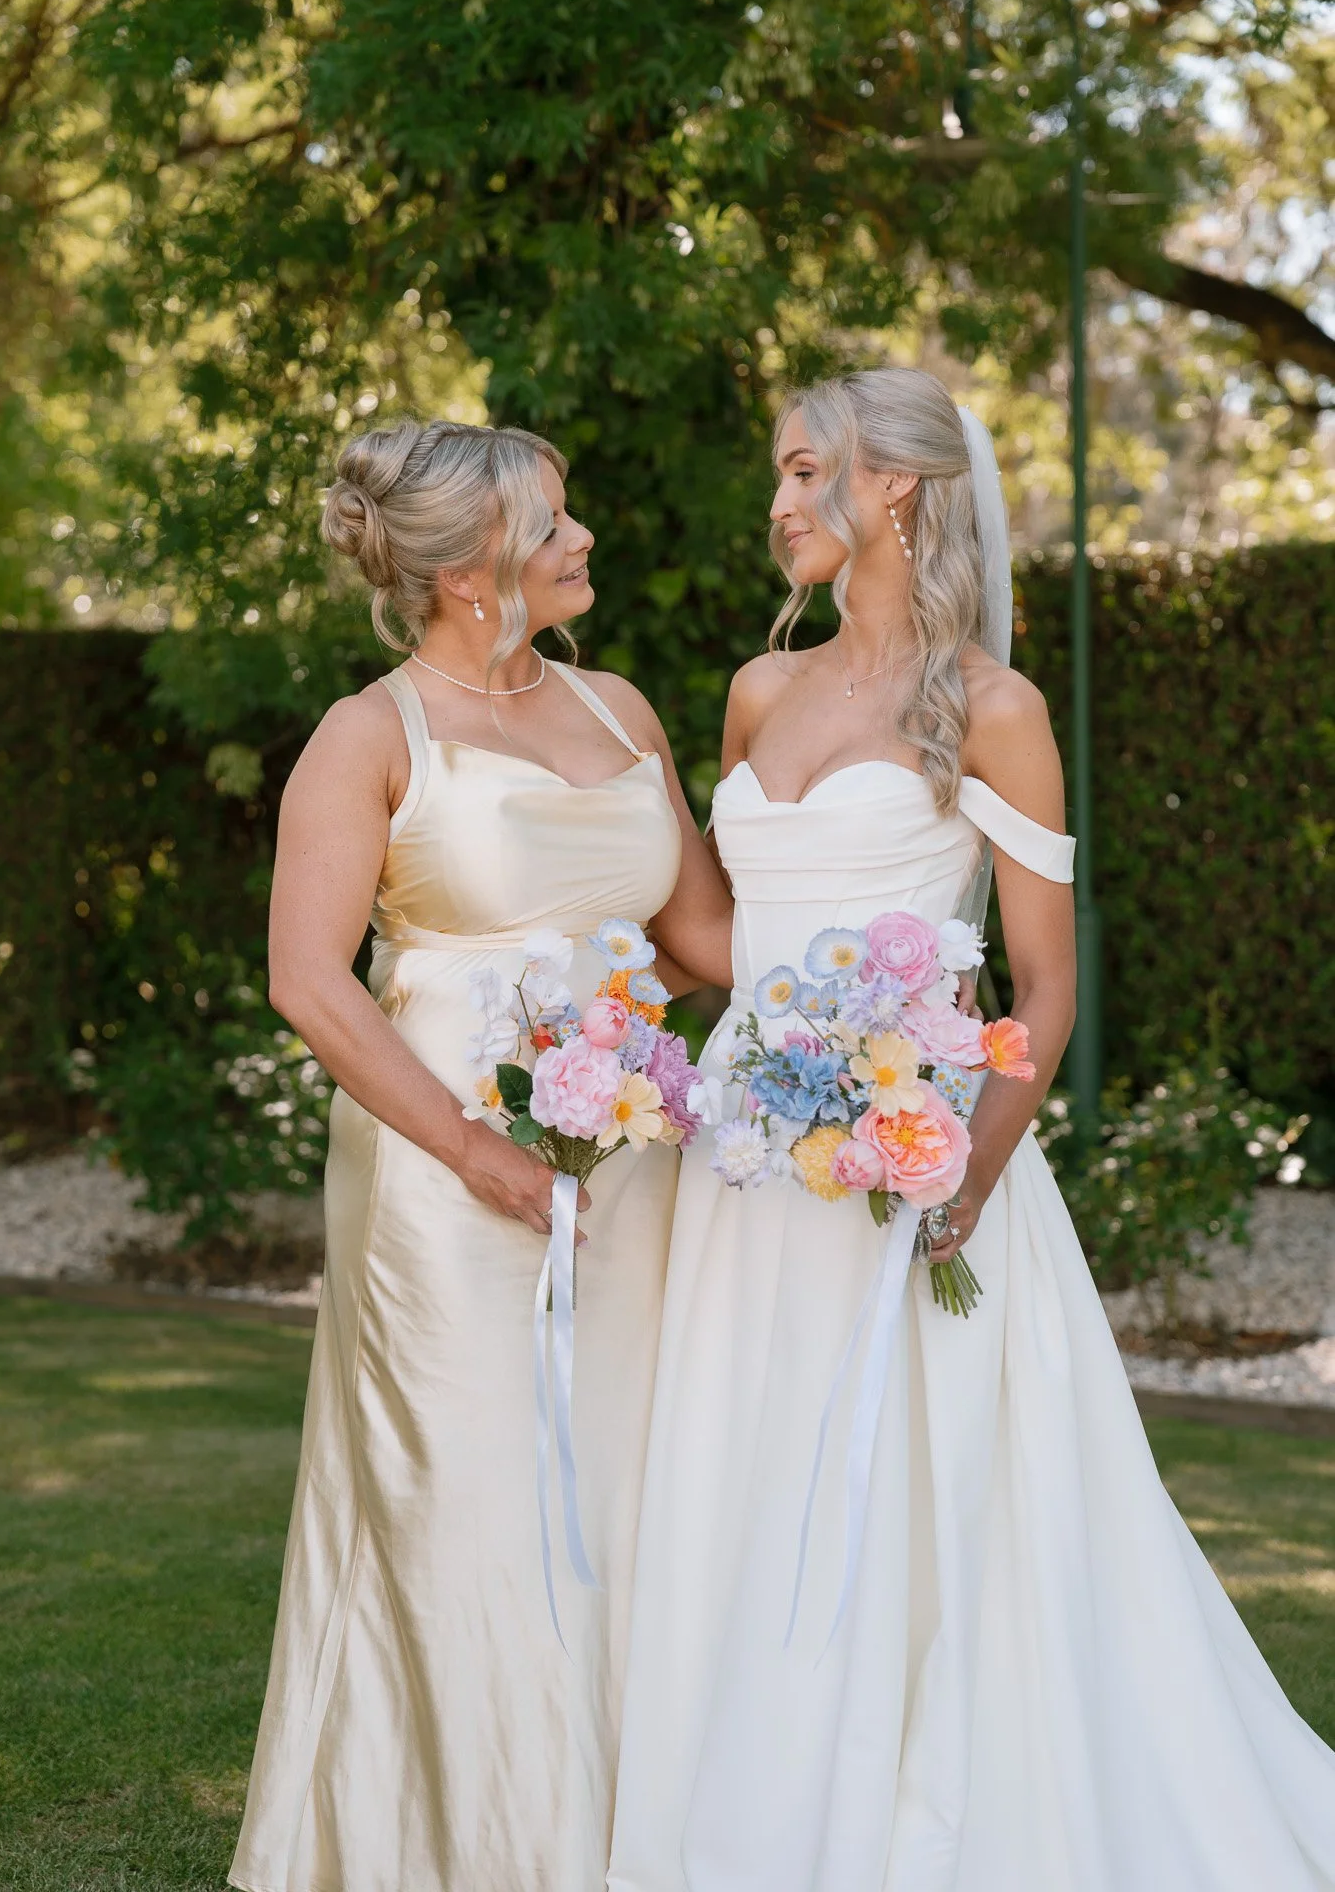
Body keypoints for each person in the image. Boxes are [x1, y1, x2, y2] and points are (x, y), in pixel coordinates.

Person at [608, 366, 1335, 1891]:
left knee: (930, 1511)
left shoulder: (993, 710)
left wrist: (965, 1173)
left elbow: (1047, 992)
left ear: (896, 491)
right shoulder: (755, 691)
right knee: (741, 1481)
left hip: (911, 1172)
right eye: (779, 474)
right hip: (745, 1171)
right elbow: (729, 937)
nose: (781, 503)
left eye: (808, 473)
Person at [229, 418, 729, 1892]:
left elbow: (699, 942)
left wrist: (875, 957)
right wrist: (471, 1152)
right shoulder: (370, 734)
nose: (583, 539)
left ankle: (629, 1842)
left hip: (626, 1160)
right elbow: (310, 982)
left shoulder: (622, 708)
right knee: (473, 1511)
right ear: (468, 571)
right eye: (554, 521)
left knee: (625, 1496)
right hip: (442, 1180)